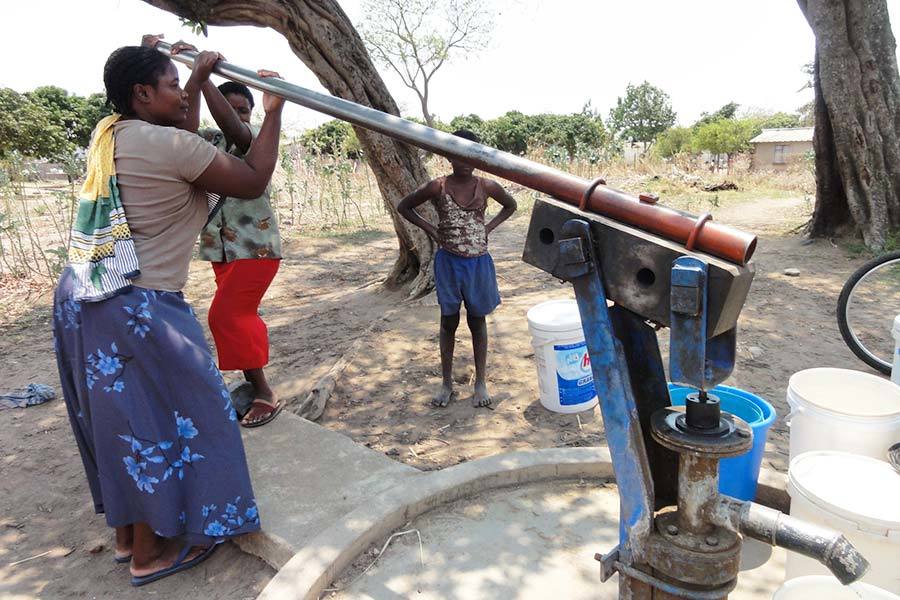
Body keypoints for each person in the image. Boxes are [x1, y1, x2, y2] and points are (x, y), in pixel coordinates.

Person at [52, 43, 284, 587]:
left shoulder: (111, 133)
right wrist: (272, 111)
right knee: (182, 413)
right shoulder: (163, 143)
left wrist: (197, 84)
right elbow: (252, 176)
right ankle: (151, 555)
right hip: (136, 302)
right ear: (142, 93)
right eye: (173, 85)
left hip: (85, 292)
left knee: (120, 419)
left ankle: (131, 537)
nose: (182, 94)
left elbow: (181, 150)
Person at [397, 130, 517, 408]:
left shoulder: (487, 186)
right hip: (449, 263)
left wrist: (488, 228)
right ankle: (447, 383)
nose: (464, 160)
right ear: (448, 156)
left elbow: (511, 205)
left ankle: (481, 382)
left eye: (470, 154)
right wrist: (432, 231)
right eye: (458, 154)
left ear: (477, 156)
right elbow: (405, 207)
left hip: (478, 263)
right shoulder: (438, 187)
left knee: (477, 320)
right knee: (448, 321)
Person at [196, 79, 283, 428]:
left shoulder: (257, 140)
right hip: (220, 249)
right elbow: (173, 124)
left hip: (256, 248)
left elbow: (235, 128)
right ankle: (255, 388)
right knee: (239, 319)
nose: (235, 116)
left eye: (243, 110)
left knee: (226, 316)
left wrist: (203, 80)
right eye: (228, 108)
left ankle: (266, 393)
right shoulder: (206, 141)